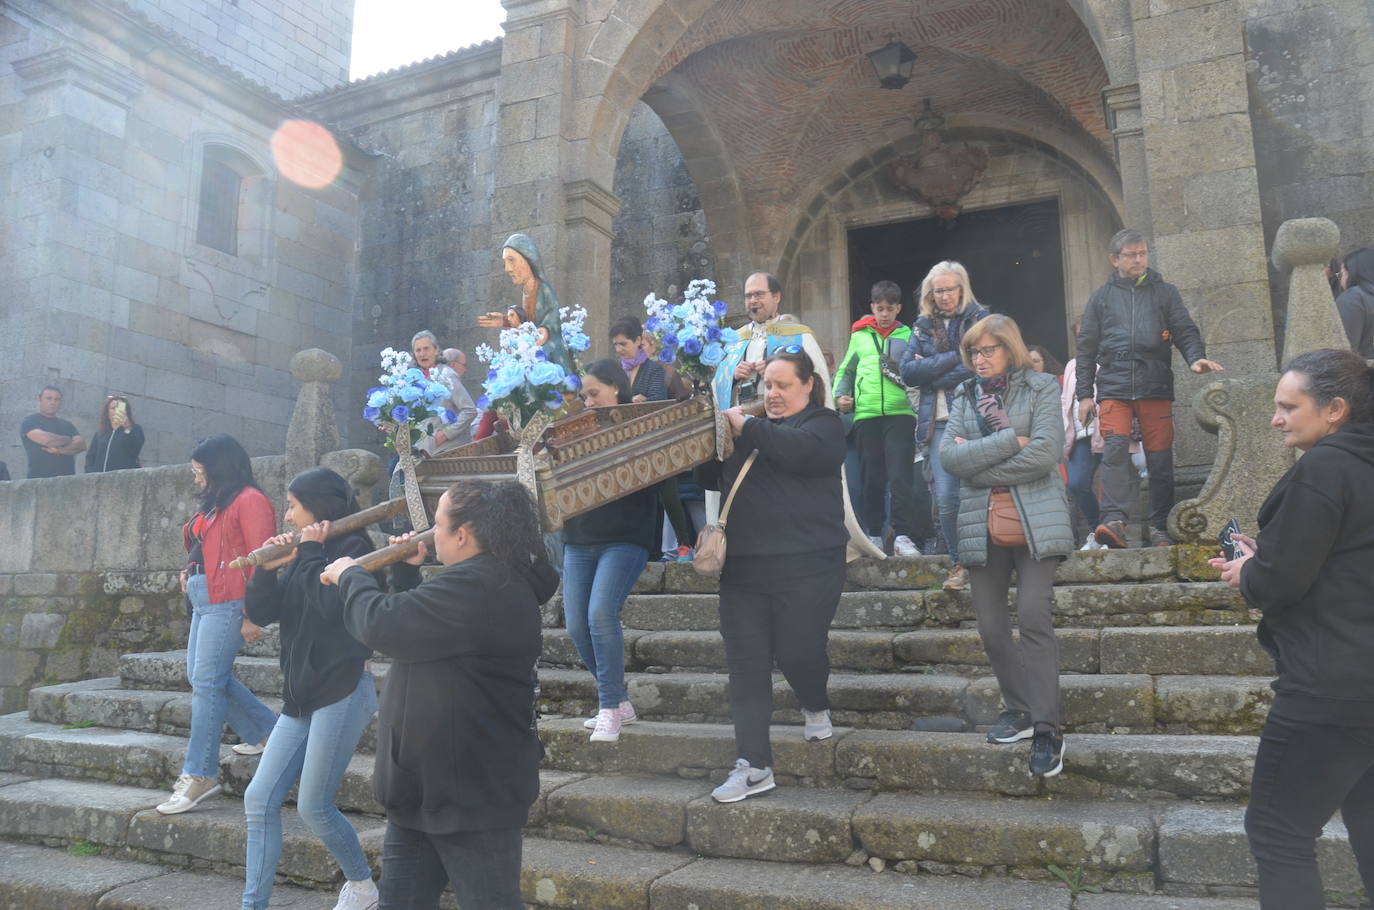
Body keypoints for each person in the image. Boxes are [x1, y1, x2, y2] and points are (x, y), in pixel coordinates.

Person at [322, 480, 559, 910]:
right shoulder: (477, 580)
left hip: (472, 792)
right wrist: (407, 570)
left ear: (463, 534)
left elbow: (385, 627)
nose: (431, 534)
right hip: (425, 787)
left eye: (437, 525)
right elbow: (420, 631)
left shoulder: (483, 586)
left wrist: (351, 577)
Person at [1208, 349, 1374, 910]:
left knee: (1278, 834)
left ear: (1335, 410)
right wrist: (1268, 555)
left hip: (1329, 686)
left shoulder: (1325, 468)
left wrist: (1250, 569)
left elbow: (1281, 584)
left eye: (1288, 406)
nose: (1276, 418)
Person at [699, 348, 848, 803]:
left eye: (783, 384)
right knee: (745, 667)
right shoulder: (744, 429)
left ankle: (814, 701)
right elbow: (708, 474)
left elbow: (803, 453)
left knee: (798, 651)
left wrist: (747, 423)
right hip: (744, 567)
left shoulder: (822, 424)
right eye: (768, 385)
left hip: (810, 563)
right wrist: (708, 436)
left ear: (808, 384)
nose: (774, 393)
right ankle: (754, 764)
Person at [939, 314, 1073, 777]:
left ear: (1009, 349)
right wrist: (1005, 441)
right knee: (992, 628)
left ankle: (1047, 728)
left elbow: (1045, 453)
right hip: (981, 522)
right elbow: (948, 457)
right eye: (973, 352)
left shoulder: (1040, 388)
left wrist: (979, 467)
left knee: (1034, 615)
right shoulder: (962, 395)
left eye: (988, 350)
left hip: (1037, 519)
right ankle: (1017, 709)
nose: (979, 359)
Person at [241, 467, 379, 910]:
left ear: (316, 508)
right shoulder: (305, 550)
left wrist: (311, 553)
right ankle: (252, 904)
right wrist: (266, 567)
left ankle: (362, 886)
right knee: (258, 797)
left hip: (341, 688)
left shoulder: (356, 548)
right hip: (300, 694)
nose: (287, 516)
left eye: (294, 506)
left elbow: (327, 608)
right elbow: (263, 612)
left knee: (313, 806)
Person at [709, 272, 881, 561]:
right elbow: (718, 387)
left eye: (759, 294)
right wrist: (734, 375)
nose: (753, 300)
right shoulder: (734, 340)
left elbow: (816, 380)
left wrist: (775, 370)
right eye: (749, 295)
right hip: (743, 434)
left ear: (776, 297)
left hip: (785, 432)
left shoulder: (798, 334)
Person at [1075, 228, 1223, 549]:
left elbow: (1184, 329)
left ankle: (1160, 526)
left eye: (1143, 253)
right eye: (1132, 254)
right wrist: (1084, 394)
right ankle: (1113, 521)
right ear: (1115, 259)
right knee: (1114, 451)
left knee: (1159, 459)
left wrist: (1196, 358)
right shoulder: (1100, 298)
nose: (1139, 259)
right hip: (1113, 386)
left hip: (1155, 384)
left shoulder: (1165, 292)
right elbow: (1085, 349)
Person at [157, 434, 278, 815]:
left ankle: (200, 773)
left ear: (219, 468)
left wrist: (251, 613)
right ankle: (269, 733)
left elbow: (263, 559)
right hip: (205, 598)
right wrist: (189, 571)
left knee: (207, 683)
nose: (196, 479)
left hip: (229, 601)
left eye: (199, 472)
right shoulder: (218, 503)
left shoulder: (250, 500)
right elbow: (205, 547)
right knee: (203, 677)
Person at [563, 359, 658, 741]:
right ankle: (618, 701)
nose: (587, 402)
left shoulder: (638, 426)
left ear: (615, 389)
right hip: (579, 538)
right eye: (583, 395)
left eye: (593, 394)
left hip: (625, 536)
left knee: (601, 614)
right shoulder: (571, 431)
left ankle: (608, 708)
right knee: (574, 625)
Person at [899, 261, 990, 591]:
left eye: (951, 289)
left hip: (976, 417)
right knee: (948, 497)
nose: (945, 296)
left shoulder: (980, 319)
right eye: (939, 290)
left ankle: (991, 561)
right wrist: (956, 356)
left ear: (962, 289)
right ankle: (959, 563)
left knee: (982, 492)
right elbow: (907, 372)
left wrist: (932, 371)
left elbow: (980, 367)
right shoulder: (921, 326)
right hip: (936, 424)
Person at [834, 280, 921, 557]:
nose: (884, 314)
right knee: (873, 479)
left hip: (901, 414)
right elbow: (846, 370)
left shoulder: (909, 335)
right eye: (879, 308)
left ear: (898, 309)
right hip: (867, 414)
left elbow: (917, 370)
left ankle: (902, 536)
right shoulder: (859, 336)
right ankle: (873, 533)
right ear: (872, 307)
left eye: (890, 309)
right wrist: (840, 397)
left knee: (900, 478)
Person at [611, 316, 695, 561]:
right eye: (615, 344)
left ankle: (684, 546)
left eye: (623, 343)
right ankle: (646, 549)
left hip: (657, 440)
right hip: (627, 442)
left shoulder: (655, 369)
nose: (619, 349)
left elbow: (659, 400)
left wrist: (637, 401)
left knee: (669, 496)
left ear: (639, 341)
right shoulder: (617, 372)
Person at [479, 233, 576, 376]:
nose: (507, 269)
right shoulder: (526, 290)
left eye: (512, 260)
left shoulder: (543, 288)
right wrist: (506, 321)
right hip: (533, 348)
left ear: (529, 260)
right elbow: (527, 321)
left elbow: (552, 313)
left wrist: (545, 329)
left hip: (548, 352)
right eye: (505, 262)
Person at [409, 330, 465, 455]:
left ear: (436, 350)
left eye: (426, 349)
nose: (422, 354)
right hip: (420, 451)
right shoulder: (413, 379)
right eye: (418, 350)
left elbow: (469, 410)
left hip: (445, 451)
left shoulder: (447, 375)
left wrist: (446, 434)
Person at [20, 386, 85, 478]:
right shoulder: (30, 421)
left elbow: (81, 445)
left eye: (57, 399)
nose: (53, 402)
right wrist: (68, 439)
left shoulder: (67, 425)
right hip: (38, 482)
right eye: (49, 398)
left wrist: (59, 450)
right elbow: (47, 440)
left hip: (67, 481)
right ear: (39, 399)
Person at [85, 394, 145, 472]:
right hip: (99, 480)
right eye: (113, 408)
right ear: (107, 412)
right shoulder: (100, 433)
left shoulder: (135, 429)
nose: (116, 411)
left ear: (126, 411)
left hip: (122, 478)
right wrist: (90, 474)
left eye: (119, 408)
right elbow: (90, 457)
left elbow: (135, 450)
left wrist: (127, 428)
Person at [1336, 247, 1374, 359]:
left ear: (1351, 272)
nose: (1340, 279)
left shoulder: (1353, 298)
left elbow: (1344, 350)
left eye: (1341, 274)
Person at [440, 347, 479, 446]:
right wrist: (446, 434)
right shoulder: (449, 375)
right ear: (453, 364)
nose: (465, 369)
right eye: (464, 365)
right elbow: (470, 410)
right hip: (449, 445)